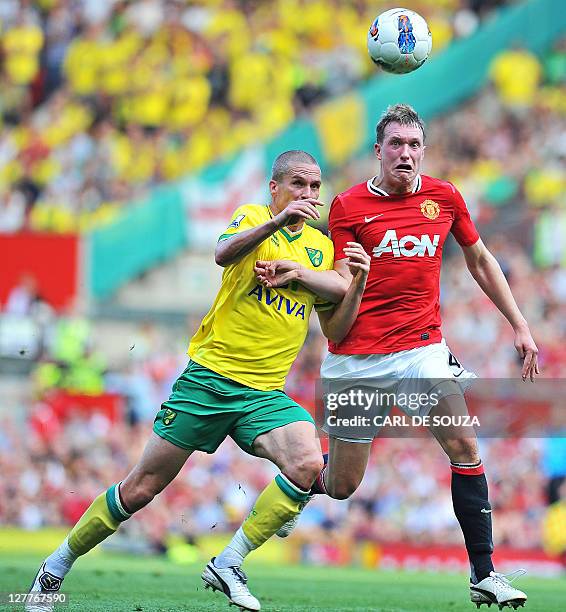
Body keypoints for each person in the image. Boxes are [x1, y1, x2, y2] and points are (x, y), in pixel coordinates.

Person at [27, 150, 370, 612]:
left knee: (308, 461)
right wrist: (276, 223)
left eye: (314, 186)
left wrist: (340, 282)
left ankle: (229, 562)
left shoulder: (321, 248)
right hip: (209, 380)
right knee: (141, 489)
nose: (308, 195)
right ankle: (55, 567)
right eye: (298, 185)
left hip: (263, 393)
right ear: (276, 188)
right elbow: (221, 253)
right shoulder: (253, 217)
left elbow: (336, 317)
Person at [255, 105, 538, 610]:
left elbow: (479, 259)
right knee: (341, 485)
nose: (405, 153)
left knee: (464, 444)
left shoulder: (444, 197)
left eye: (414, 145)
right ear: (378, 151)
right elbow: (341, 284)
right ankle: (302, 481)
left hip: (422, 351)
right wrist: (300, 274)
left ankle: (484, 574)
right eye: (396, 145)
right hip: (359, 359)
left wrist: (518, 324)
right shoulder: (346, 206)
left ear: (422, 151)